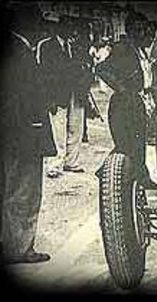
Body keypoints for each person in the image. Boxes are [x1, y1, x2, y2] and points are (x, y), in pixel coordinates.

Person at [0, 3, 56, 264]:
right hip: (24, 136)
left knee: (8, 188)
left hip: (8, 135)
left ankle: (7, 241)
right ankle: (20, 248)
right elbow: (21, 99)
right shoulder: (21, 52)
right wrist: (33, 128)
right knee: (25, 192)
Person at [95, 10, 156, 188]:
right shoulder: (123, 48)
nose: (143, 33)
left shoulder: (138, 49)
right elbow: (102, 68)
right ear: (130, 30)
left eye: (144, 29)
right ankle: (110, 174)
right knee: (126, 145)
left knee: (137, 144)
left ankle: (140, 178)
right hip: (124, 104)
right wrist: (122, 89)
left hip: (137, 101)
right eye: (139, 29)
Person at [38, 14, 90, 176]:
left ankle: (71, 161)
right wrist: (49, 98)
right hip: (57, 94)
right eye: (67, 26)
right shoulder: (46, 46)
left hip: (76, 93)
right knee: (58, 130)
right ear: (59, 27)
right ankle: (55, 165)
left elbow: (85, 68)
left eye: (72, 26)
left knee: (76, 128)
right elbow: (43, 74)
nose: (71, 30)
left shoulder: (76, 46)